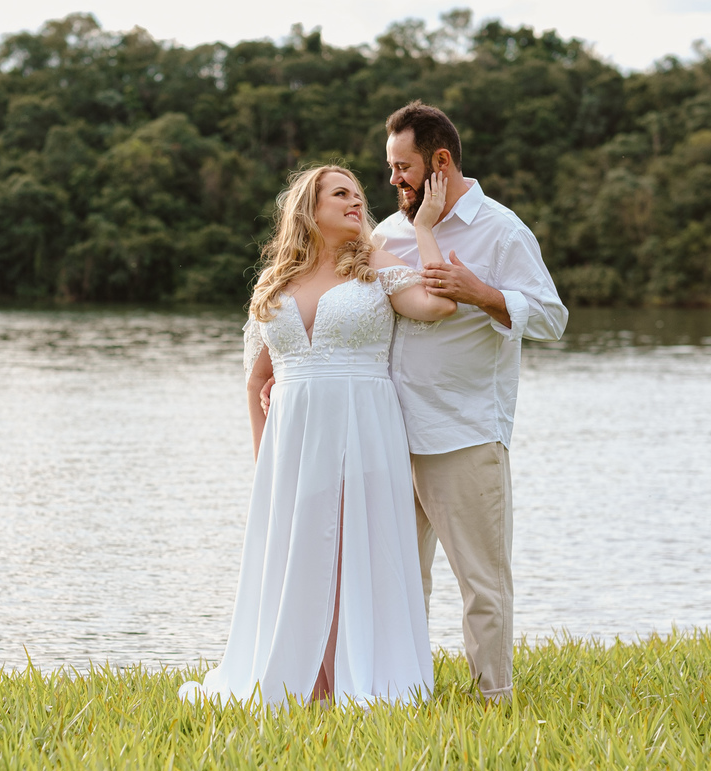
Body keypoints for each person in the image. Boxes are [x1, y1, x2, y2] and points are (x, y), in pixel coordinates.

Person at [181, 165, 456, 707]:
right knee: (300, 555)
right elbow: (257, 381)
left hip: (364, 428)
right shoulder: (275, 282)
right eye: (341, 194)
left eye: (358, 195)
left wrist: (424, 228)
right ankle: (304, 680)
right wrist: (264, 466)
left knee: (356, 551)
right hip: (292, 442)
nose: (357, 202)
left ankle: (353, 676)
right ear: (309, 207)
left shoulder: (374, 264)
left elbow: (438, 305)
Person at [375, 100, 569, 702]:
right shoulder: (388, 233)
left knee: (482, 583)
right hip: (388, 433)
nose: (393, 179)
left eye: (403, 167)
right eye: (390, 167)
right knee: (397, 580)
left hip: (463, 432)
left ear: (440, 162)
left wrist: (482, 293)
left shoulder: (501, 230)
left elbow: (553, 318)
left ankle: (493, 699)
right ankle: (400, 690)